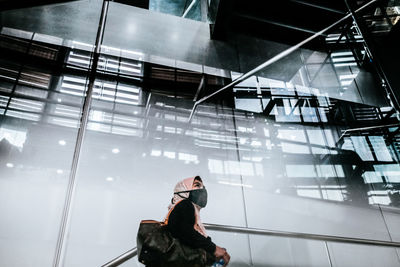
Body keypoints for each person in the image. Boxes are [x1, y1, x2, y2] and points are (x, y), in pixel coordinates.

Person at [166, 176, 230, 267]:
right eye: (197, 185)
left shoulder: (181, 207)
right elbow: (187, 232)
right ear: (184, 189)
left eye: (202, 187)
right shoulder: (185, 205)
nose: (202, 189)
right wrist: (214, 249)